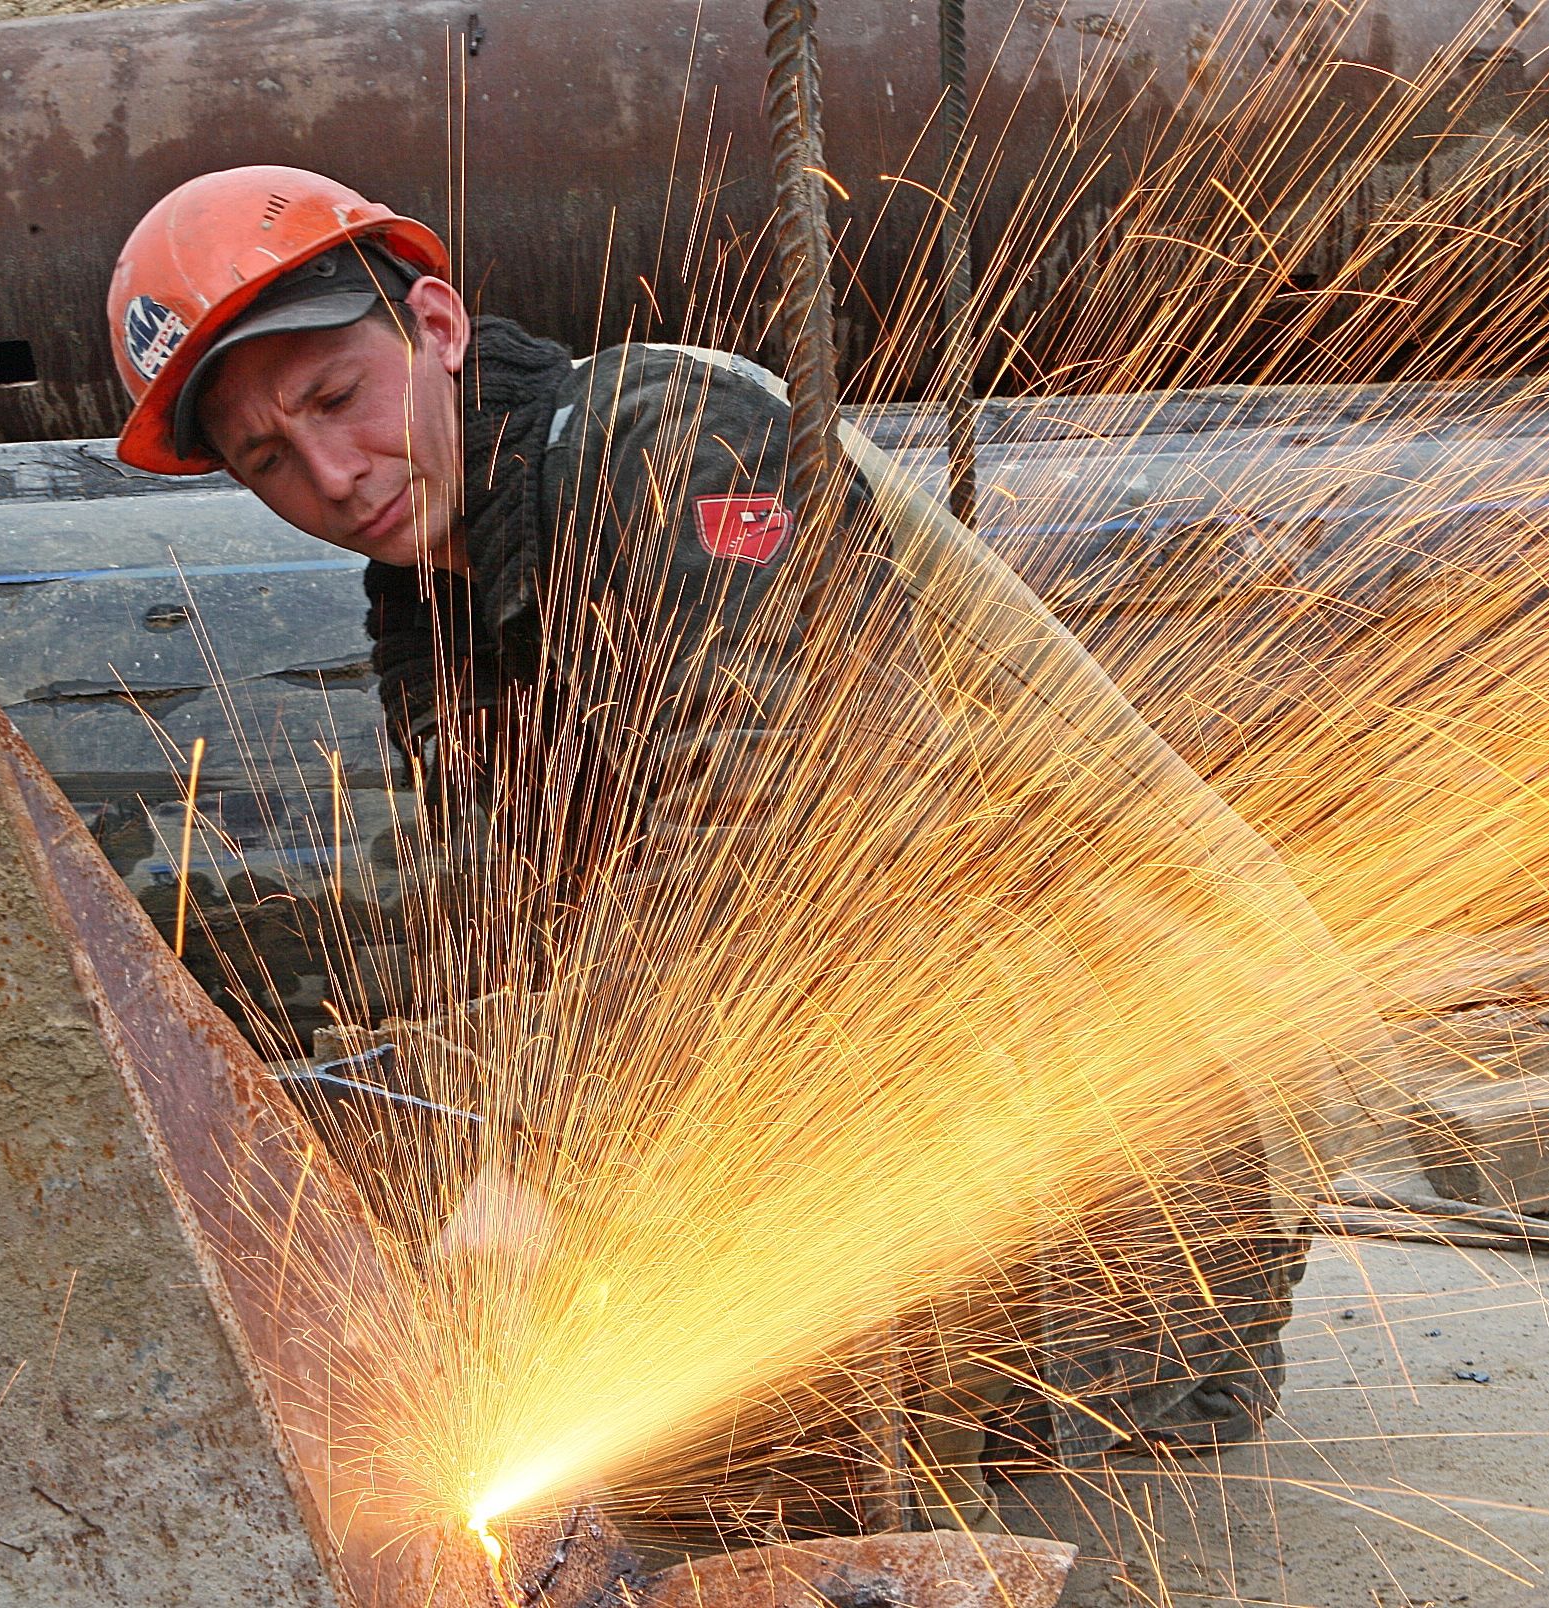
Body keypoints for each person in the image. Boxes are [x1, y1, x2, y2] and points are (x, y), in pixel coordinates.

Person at [105, 164, 1376, 1534]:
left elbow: (779, 839)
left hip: (1151, 1102)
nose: (332, 476)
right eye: (266, 463)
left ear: (438, 322)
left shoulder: (660, 432)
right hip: (932, 1047)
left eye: (335, 401)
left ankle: (1112, 1347)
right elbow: (519, 928)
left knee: (730, 1467)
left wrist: (539, 1165)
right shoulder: (437, 597)